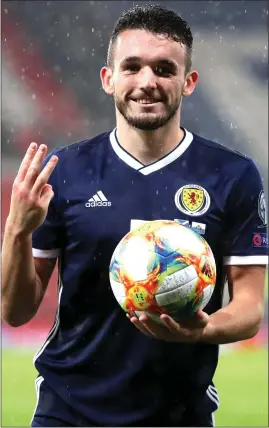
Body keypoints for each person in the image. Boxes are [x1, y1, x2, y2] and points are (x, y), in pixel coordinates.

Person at [2, 4, 267, 427]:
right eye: (132, 67)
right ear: (109, 79)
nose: (148, 82)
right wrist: (16, 230)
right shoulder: (65, 172)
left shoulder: (231, 176)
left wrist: (203, 331)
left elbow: (250, 307)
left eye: (164, 68)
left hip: (182, 415)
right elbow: (14, 311)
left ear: (189, 81)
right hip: (68, 414)